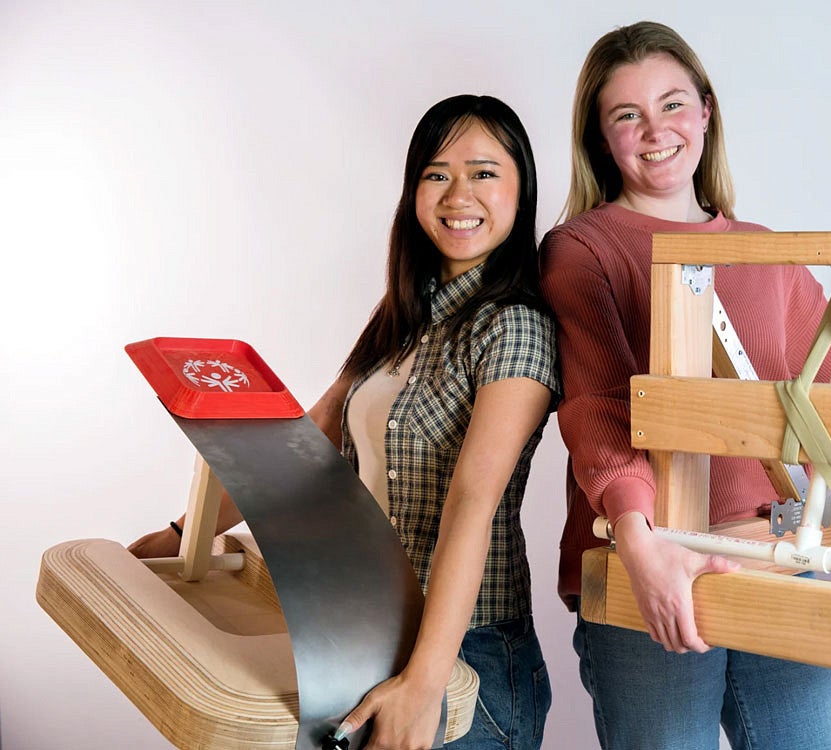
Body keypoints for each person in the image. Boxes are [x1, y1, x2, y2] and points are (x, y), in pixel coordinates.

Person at [539, 22, 831, 750]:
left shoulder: (768, 252)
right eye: (627, 115)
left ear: (707, 111)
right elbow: (600, 405)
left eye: (673, 104)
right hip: (656, 561)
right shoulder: (582, 248)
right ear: (601, 137)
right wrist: (641, 543)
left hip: (778, 562)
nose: (656, 131)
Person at [130, 94, 559, 750]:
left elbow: (473, 503)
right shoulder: (404, 315)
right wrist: (182, 535)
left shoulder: (517, 327)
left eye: (483, 172)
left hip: (466, 657)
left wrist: (424, 684)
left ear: (521, 188)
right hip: (362, 637)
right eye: (436, 174)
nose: (457, 194)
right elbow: (300, 452)